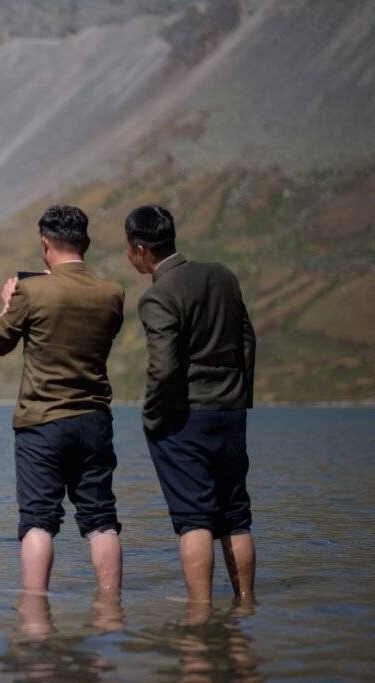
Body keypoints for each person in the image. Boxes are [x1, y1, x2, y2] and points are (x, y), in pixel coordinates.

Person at [0, 205, 125, 593]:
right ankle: (110, 609)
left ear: (45, 243)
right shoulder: (112, 293)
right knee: (101, 519)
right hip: (94, 418)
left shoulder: (32, 291)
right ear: (87, 242)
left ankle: (34, 615)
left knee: (37, 521)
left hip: (42, 421)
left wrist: (8, 300)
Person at [124, 204, 256, 603]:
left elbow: (164, 368)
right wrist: (240, 394)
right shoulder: (222, 276)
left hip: (186, 420)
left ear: (142, 249)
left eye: (129, 249)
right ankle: (246, 601)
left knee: (194, 519)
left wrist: (151, 416)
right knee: (235, 515)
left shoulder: (157, 296)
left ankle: (199, 613)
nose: (129, 256)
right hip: (231, 412)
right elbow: (247, 340)